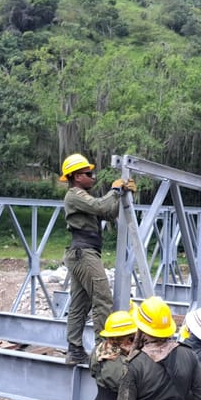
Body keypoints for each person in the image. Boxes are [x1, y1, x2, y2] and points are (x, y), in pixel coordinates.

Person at [60, 152, 136, 365]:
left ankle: (74, 349)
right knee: (102, 299)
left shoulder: (84, 197)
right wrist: (114, 190)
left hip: (82, 253)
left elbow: (109, 213)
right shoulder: (75, 195)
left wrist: (122, 194)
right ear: (76, 177)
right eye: (88, 173)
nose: (93, 176)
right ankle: (104, 349)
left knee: (79, 304)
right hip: (83, 253)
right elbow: (101, 207)